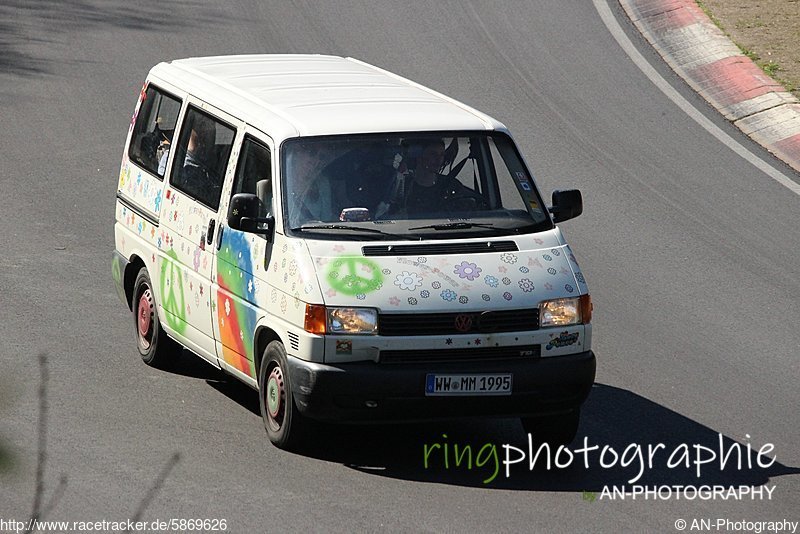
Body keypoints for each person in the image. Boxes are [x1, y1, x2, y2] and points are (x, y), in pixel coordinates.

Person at [398, 138, 484, 215]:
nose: (439, 159)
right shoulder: (402, 187)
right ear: (419, 157)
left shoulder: (451, 186)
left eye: (442, 154)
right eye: (433, 154)